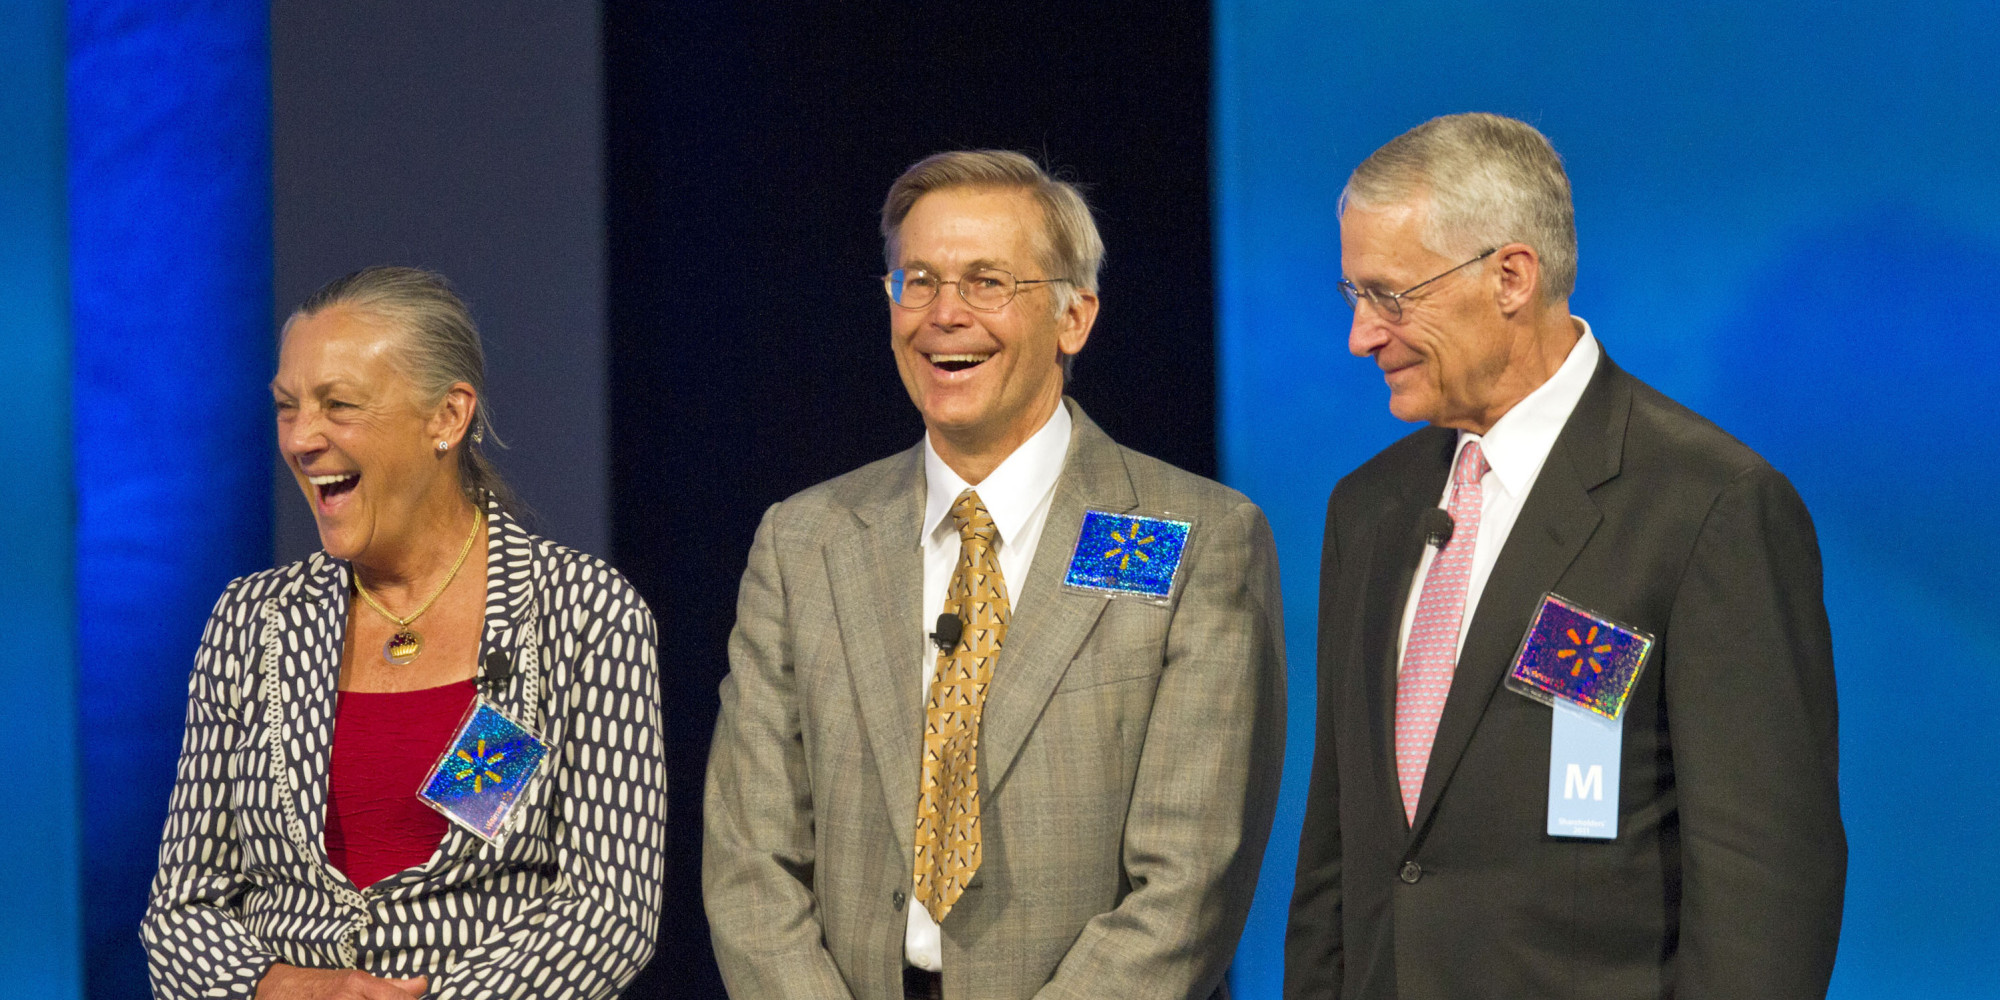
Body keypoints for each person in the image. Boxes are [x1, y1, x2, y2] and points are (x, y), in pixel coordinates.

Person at [1284, 113, 1846, 999]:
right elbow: (1338, 846)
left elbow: (1766, 878)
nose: (1362, 336)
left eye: (1390, 296)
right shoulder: (1371, 507)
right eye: (1352, 296)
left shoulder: (1708, 505)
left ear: (1510, 276)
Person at [703, 150, 1286, 1000]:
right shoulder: (805, 541)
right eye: (919, 281)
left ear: (1074, 316)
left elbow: (1190, 881)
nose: (945, 315)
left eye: (986, 283)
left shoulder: (1196, 537)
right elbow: (750, 855)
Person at [141, 267, 668, 999]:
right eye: (287, 408)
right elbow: (179, 912)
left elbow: (610, 908)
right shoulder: (251, 620)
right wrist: (282, 987)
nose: (301, 439)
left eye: (339, 405)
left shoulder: (582, 613)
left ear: (448, 418)